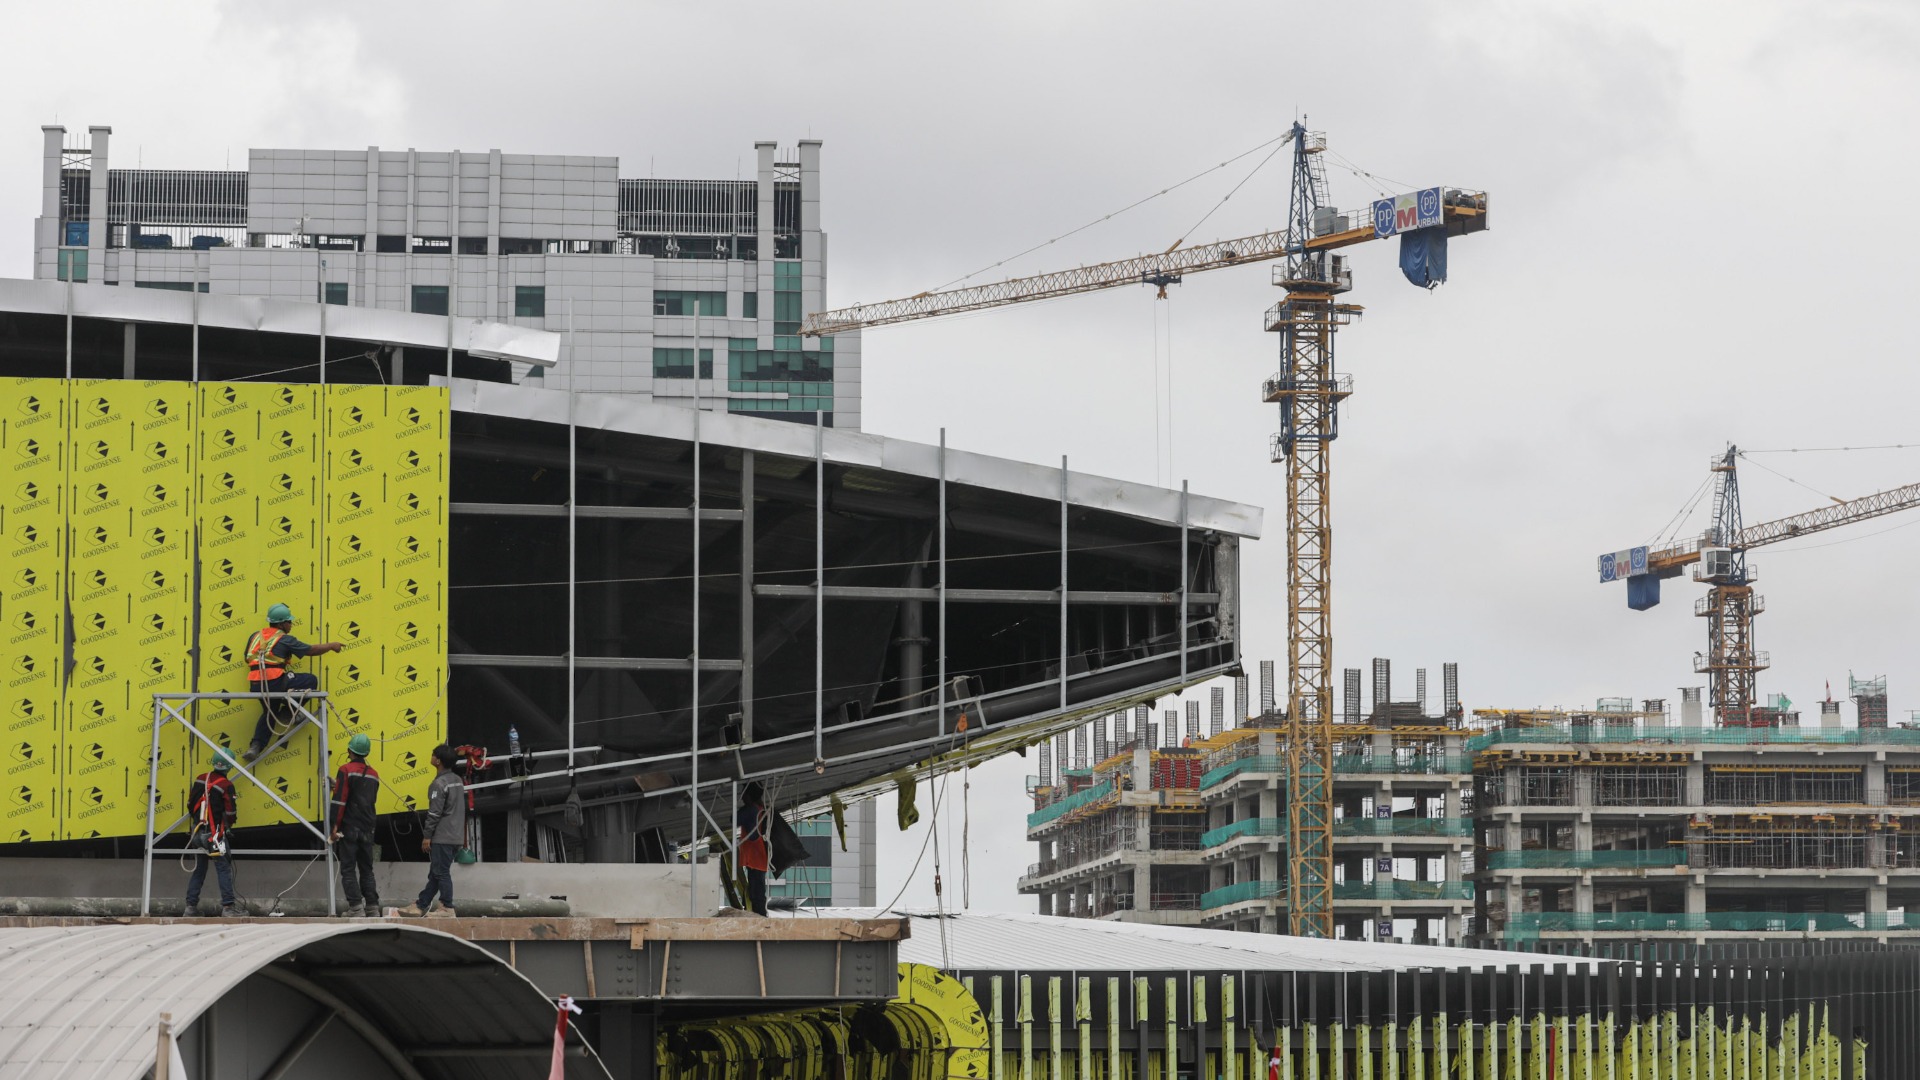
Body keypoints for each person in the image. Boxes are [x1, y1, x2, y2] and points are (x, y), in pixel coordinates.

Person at [244, 602, 344, 760]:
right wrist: (331, 645)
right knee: (310, 680)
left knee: (269, 713)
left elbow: (247, 658)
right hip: (274, 682)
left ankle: (255, 746)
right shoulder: (285, 639)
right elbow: (310, 650)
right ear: (282, 623)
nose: (291, 624)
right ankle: (289, 713)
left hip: (256, 685)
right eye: (289, 622)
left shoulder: (255, 637)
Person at [402, 745, 464, 917]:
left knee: (441, 872)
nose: (431, 756)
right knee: (436, 872)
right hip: (456, 835)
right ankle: (422, 904)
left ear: (438, 761)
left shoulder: (439, 784)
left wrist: (427, 836)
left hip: (443, 836)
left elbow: (434, 813)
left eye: (432, 754)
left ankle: (447, 907)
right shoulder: (458, 780)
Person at [328, 732, 382, 917]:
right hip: (368, 828)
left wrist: (334, 826)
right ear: (366, 753)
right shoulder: (374, 774)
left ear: (349, 750)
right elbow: (366, 797)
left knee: (348, 868)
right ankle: (373, 907)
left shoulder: (345, 770)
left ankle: (356, 908)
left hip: (349, 827)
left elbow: (340, 801)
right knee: (367, 869)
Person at [184, 748, 243, 918]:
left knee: (200, 869)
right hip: (214, 835)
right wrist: (228, 826)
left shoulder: (201, 779)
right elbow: (231, 813)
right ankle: (228, 908)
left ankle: (190, 908)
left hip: (197, 832)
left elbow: (190, 804)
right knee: (223, 868)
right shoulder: (226, 785)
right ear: (229, 766)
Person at [736, 782, 770, 916]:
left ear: (748, 795)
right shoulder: (760, 809)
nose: (741, 797)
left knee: (756, 894)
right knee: (757, 893)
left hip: (755, 858)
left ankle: (760, 919)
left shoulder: (751, 810)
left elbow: (735, 819)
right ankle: (760, 917)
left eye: (743, 794)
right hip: (758, 857)